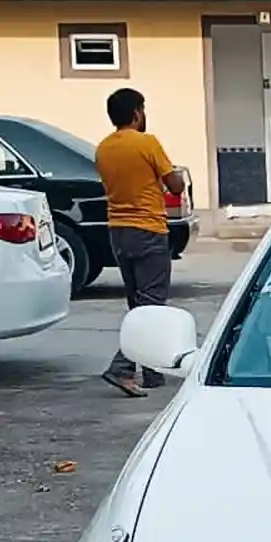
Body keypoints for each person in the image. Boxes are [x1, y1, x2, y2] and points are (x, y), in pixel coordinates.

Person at [94, 87, 186, 397]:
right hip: (148, 228)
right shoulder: (147, 143)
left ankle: (151, 370)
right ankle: (121, 368)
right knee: (152, 305)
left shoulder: (103, 148)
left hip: (118, 231)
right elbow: (174, 183)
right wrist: (177, 178)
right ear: (136, 113)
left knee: (138, 304)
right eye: (143, 110)